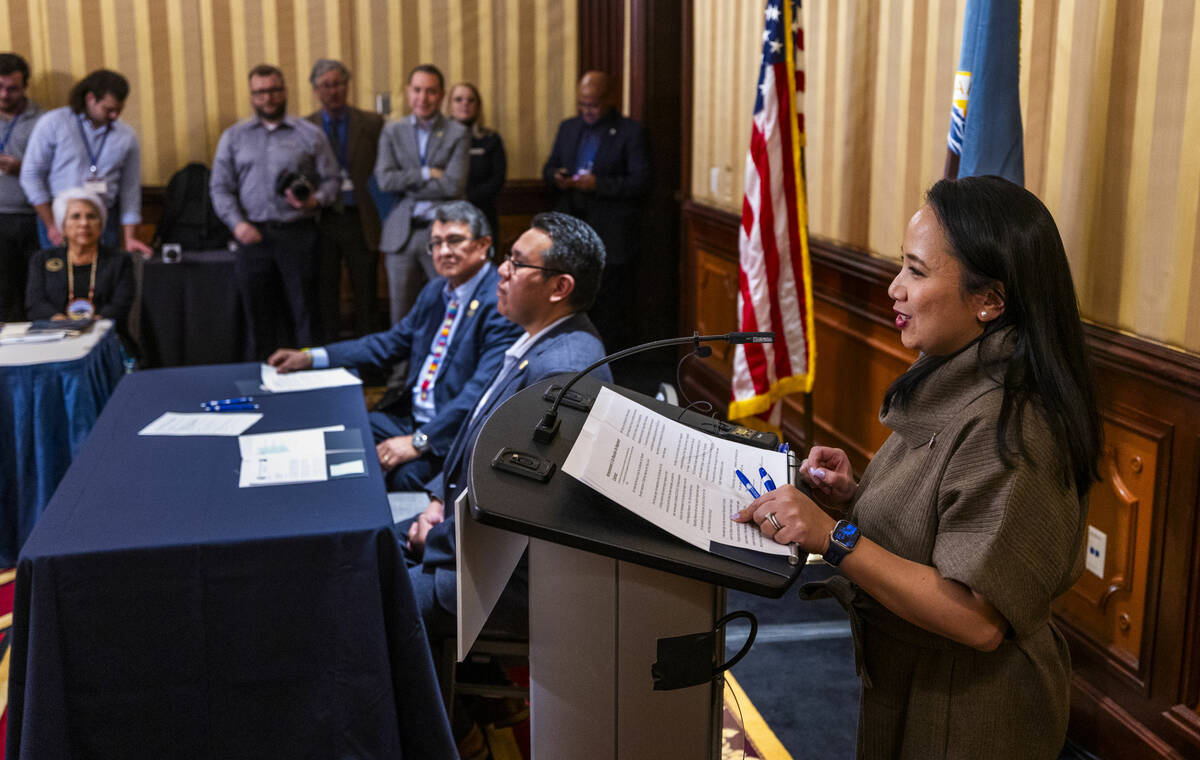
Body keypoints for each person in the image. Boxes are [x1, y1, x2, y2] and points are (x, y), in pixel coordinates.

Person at [733, 176, 1102, 759]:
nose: (893, 288)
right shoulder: (960, 374)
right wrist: (855, 498)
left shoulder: (1014, 421)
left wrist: (833, 534)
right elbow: (947, 521)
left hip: (970, 708)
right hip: (916, 679)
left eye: (916, 271)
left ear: (990, 300)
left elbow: (978, 618)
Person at [404, 211, 611, 643]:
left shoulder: (562, 373)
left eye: (517, 263)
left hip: (497, 576)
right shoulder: (540, 342)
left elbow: (522, 511)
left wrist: (437, 541)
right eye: (507, 258)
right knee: (359, 548)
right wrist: (438, 502)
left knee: (367, 601)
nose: (501, 270)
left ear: (560, 287)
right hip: (465, 535)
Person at [268, 201, 522, 490]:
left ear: (483, 244)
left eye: (454, 241)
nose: (443, 251)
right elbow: (389, 343)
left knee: (401, 476)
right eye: (436, 243)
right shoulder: (436, 290)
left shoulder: (498, 302)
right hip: (411, 417)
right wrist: (313, 357)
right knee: (345, 429)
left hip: (453, 431)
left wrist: (420, 440)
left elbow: (480, 392)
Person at [210, 64, 340, 360]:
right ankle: (262, 380)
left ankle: (309, 380)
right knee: (257, 315)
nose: (268, 98)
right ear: (252, 96)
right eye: (260, 92)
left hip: (299, 233)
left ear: (284, 91)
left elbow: (333, 180)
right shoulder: (234, 137)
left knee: (306, 312)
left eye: (273, 90)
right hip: (252, 236)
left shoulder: (310, 134)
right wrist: (237, 224)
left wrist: (315, 200)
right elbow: (220, 187)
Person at [542, 70, 648, 351]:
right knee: (571, 299)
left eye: (593, 104)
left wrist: (597, 184)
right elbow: (549, 167)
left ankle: (610, 361)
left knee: (610, 305)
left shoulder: (629, 131)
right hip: (572, 230)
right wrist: (557, 176)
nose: (587, 110)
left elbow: (640, 182)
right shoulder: (569, 127)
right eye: (582, 104)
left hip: (611, 233)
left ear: (610, 99)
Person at [19, 69, 152, 257]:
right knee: (62, 281)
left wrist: (130, 237)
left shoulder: (125, 135)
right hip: (60, 219)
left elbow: (130, 191)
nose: (114, 116)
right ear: (90, 98)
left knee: (104, 281)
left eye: (119, 109)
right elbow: (31, 176)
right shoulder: (54, 123)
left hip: (104, 219)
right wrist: (51, 225)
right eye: (109, 109)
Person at [375, 64, 469, 325]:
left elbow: (453, 185)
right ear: (407, 92)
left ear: (441, 95)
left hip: (442, 234)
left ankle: (442, 366)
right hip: (401, 234)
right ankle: (400, 368)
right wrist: (428, 173)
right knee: (401, 315)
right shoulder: (392, 131)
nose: (422, 98)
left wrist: (407, 183)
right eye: (417, 90)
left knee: (447, 310)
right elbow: (385, 180)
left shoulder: (457, 133)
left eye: (430, 91)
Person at [305, 58, 386, 341]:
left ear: (347, 85)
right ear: (316, 90)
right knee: (325, 291)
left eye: (338, 84)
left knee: (366, 291)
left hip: (361, 217)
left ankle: (368, 360)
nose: (333, 91)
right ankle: (329, 354)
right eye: (326, 85)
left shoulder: (372, 123)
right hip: (322, 219)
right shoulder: (305, 127)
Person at [25, 187, 134, 338]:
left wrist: (90, 325)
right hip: (54, 335)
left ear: (101, 224)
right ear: (62, 225)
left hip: (105, 337)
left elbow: (120, 306)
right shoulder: (42, 260)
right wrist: (62, 324)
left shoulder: (119, 261)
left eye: (91, 216)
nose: (84, 223)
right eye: (75, 216)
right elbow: (35, 304)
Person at [0, 53, 43, 322]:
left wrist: (21, 167)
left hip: (33, 218)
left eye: (12, 88)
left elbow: (56, 169)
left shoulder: (43, 121)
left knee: (35, 290)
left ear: (25, 87)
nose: (4, 95)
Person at [447, 82, 506, 251]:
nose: (464, 103)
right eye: (458, 99)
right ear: (449, 105)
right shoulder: (437, 141)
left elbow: (497, 179)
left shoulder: (491, 139)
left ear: (478, 106)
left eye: (470, 100)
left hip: (482, 215)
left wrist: (466, 199)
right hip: (448, 217)